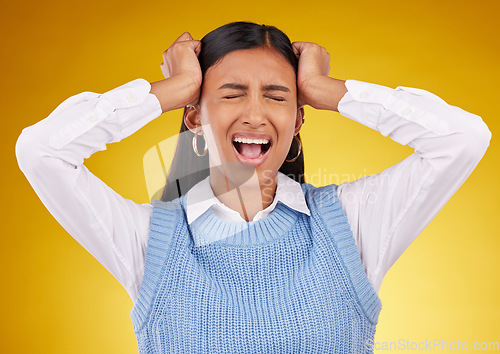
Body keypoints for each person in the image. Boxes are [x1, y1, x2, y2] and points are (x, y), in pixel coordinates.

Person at [15, 21, 491, 353]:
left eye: (278, 96)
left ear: (299, 117)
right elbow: (41, 151)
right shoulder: (148, 240)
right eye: (232, 93)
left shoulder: (352, 223)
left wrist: (332, 91)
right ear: (196, 117)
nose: (256, 114)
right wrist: (174, 87)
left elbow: (464, 139)